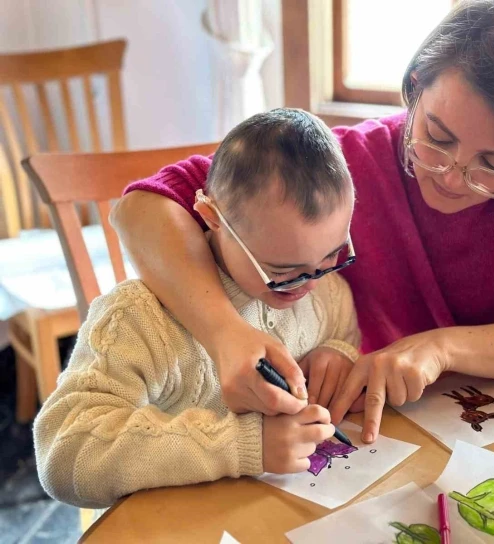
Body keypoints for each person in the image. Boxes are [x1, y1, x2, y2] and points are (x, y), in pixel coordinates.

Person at [111, 0, 494, 446]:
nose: (453, 176)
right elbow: (144, 205)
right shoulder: (351, 167)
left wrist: (442, 348)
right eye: (436, 137)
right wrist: (226, 333)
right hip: (393, 432)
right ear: (415, 90)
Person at [33, 109, 361, 508]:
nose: (310, 284)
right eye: (283, 271)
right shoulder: (140, 319)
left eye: (331, 257)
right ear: (211, 216)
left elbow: (343, 328)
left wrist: (338, 353)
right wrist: (242, 445)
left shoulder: (326, 292)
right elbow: (64, 453)